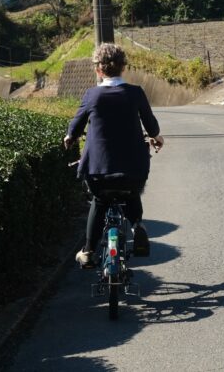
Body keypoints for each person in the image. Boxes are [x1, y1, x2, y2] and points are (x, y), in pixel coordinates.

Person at [63, 43, 164, 268]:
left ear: (98, 69)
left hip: (98, 170)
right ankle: (137, 226)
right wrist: (157, 138)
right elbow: (151, 125)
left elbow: (76, 126)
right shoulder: (136, 93)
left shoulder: (92, 95)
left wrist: (70, 138)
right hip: (133, 168)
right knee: (130, 192)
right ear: (123, 67)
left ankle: (88, 251)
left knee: (100, 201)